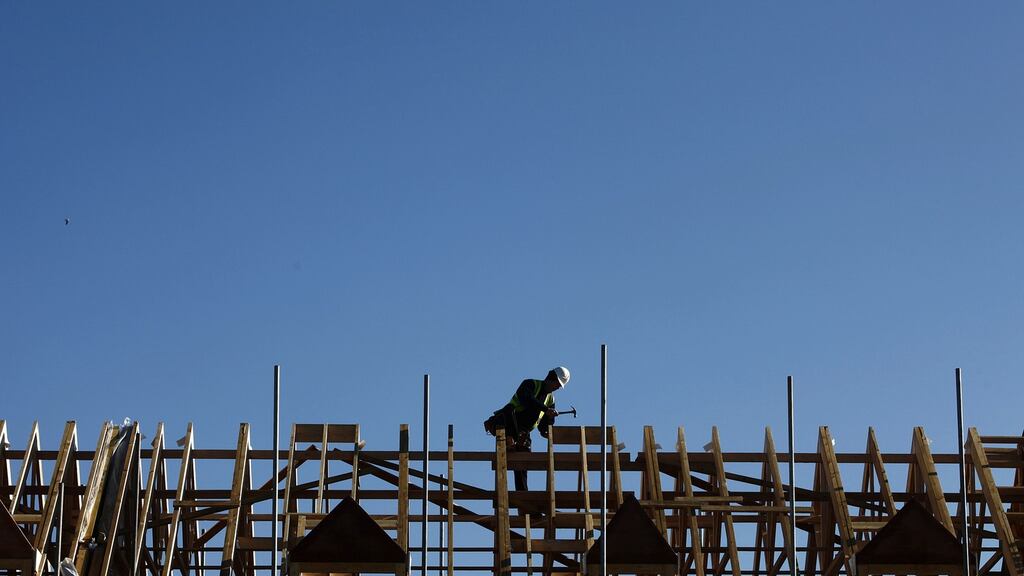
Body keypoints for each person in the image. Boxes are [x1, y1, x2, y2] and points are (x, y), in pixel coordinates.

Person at [484, 367, 570, 490]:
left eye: (560, 386)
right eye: (557, 384)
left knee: (522, 462)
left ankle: (522, 495)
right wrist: (546, 409)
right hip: (509, 422)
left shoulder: (550, 399)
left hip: (523, 432)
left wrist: (548, 425)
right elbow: (527, 399)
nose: (557, 388)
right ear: (551, 378)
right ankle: (509, 440)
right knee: (505, 455)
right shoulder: (530, 384)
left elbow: (544, 424)